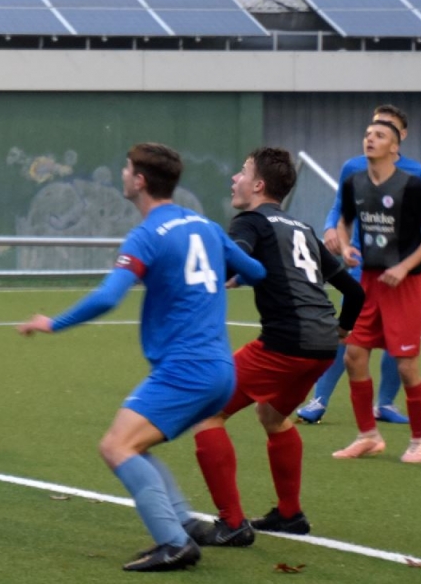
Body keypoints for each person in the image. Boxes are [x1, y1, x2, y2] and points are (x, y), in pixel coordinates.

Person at [17, 143, 266, 573]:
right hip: (220, 370)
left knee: (116, 446)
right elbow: (257, 271)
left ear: (140, 181)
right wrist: (222, 277)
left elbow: (108, 297)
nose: (123, 174)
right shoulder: (205, 225)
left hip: (186, 370)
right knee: (135, 444)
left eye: (127, 169)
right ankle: (183, 522)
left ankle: (174, 543)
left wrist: (52, 322)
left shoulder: (146, 235)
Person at [190, 148, 364, 546]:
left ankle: (232, 524)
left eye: (242, 172)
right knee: (272, 415)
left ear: (258, 185)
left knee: (206, 411)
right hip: (322, 346)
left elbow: (237, 258)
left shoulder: (250, 221)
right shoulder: (301, 227)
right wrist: (340, 330)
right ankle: (290, 515)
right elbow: (354, 292)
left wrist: (213, 273)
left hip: (286, 343)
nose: (234, 178)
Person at [298, 105, 421, 425]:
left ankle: (385, 405)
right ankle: (319, 399)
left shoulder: (415, 172)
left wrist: (407, 260)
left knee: (397, 343)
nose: (374, 135)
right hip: (361, 267)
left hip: (398, 272)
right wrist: (332, 230)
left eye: (386, 128)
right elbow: (339, 208)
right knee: (348, 333)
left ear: (400, 137)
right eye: (373, 127)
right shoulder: (353, 167)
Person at [332, 119, 421, 463]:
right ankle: (368, 435)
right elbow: (343, 221)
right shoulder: (354, 182)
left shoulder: (411, 185)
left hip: (404, 285)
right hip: (370, 281)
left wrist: (405, 266)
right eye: (367, 134)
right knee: (354, 355)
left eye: (379, 135)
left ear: (394, 147)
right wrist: (346, 246)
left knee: (406, 365)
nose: (370, 139)